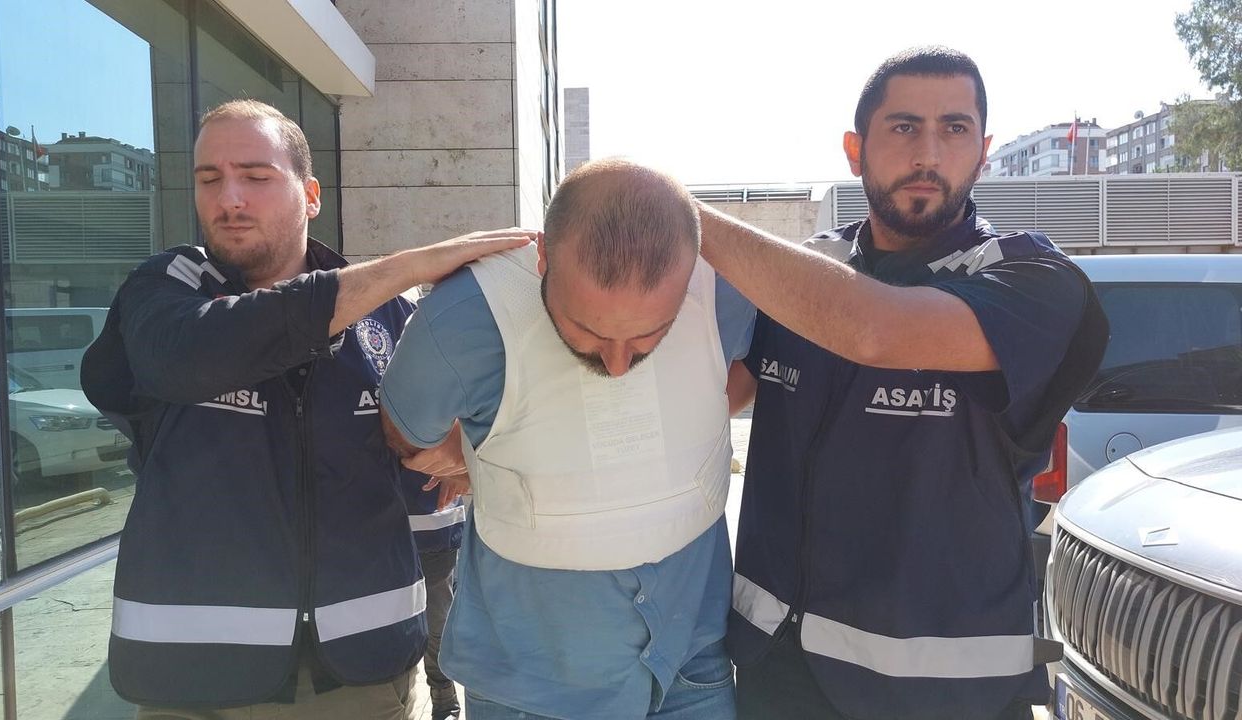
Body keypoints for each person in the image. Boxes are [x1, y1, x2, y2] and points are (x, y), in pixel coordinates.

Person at [79, 98, 533, 719]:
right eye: (210, 179)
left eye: (255, 176)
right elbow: (189, 356)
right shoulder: (168, 292)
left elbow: (438, 456)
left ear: (311, 195)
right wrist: (410, 266)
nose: (229, 198)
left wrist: (461, 453)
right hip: (193, 679)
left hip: (365, 675)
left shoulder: (388, 320)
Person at [696, 47, 1109, 720]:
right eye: (904, 127)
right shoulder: (808, 270)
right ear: (854, 149)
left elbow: (875, 330)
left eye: (955, 128)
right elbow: (711, 396)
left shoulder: (1034, 281)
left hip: (951, 695)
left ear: (984, 151)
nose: (928, 153)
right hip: (779, 675)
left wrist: (682, 215)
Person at [377, 158, 756, 720]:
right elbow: (404, 435)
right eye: (590, 330)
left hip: (691, 664)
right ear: (543, 258)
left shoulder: (728, 289)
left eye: (650, 334)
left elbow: (745, 375)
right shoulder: (461, 317)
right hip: (531, 685)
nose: (618, 365)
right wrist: (471, 448)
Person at [399, 464, 466, 720]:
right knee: (390, 622)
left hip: (434, 524)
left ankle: (444, 697)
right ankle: (396, 698)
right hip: (379, 530)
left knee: (437, 620)